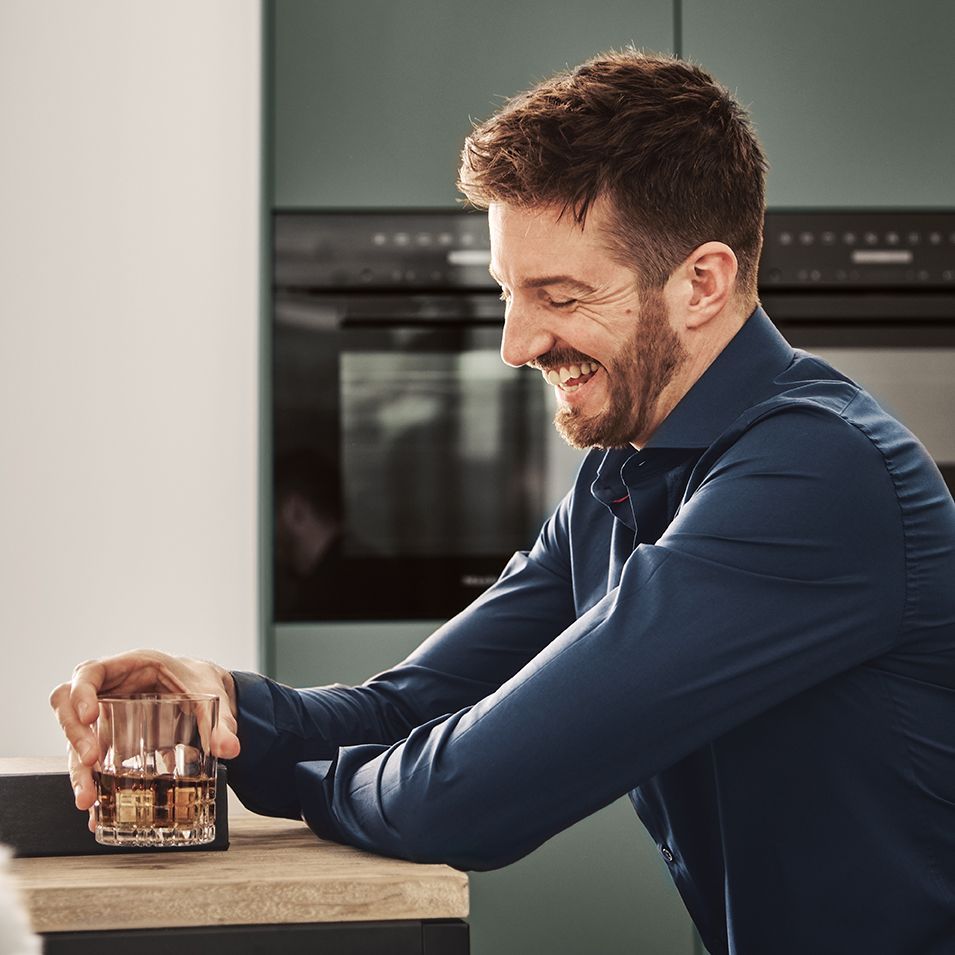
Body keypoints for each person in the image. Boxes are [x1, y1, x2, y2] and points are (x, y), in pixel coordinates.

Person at [50, 50, 955, 955]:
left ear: (701, 284)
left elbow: (466, 795)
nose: (516, 344)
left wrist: (329, 781)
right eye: (507, 294)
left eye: (559, 295)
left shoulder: (818, 474)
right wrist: (225, 713)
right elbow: (406, 710)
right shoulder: (614, 489)